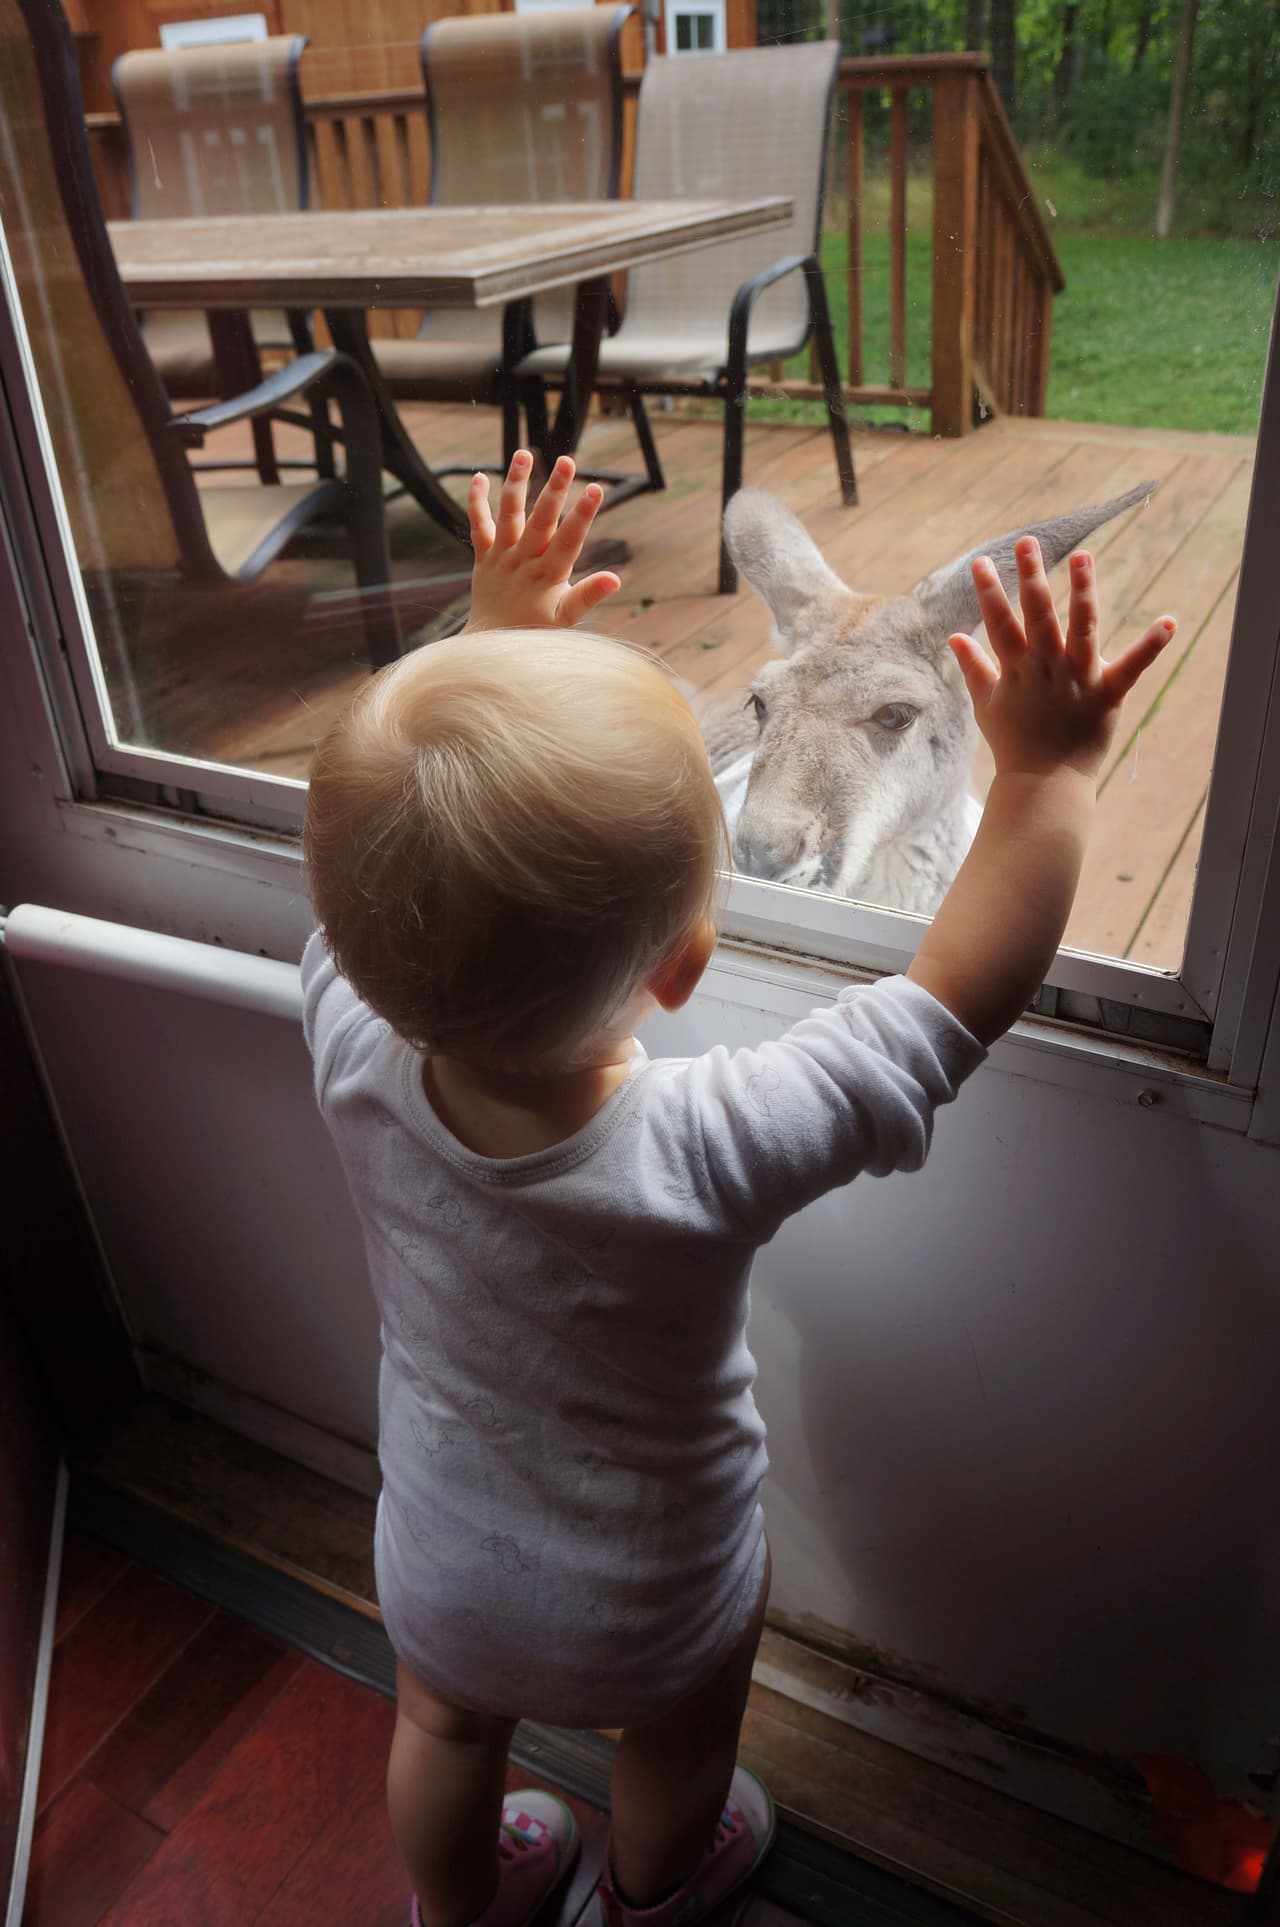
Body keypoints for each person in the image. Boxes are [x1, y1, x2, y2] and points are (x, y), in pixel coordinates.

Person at [301, 451, 1174, 1927]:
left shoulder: (341, 1021)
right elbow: (946, 1006)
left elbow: (387, 853)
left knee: (443, 1729)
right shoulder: (708, 1143)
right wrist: (1052, 779)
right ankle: (656, 1889)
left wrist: (488, 628)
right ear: (685, 966)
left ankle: (455, 1912)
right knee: (679, 1740)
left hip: (437, 1545)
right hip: (656, 1589)